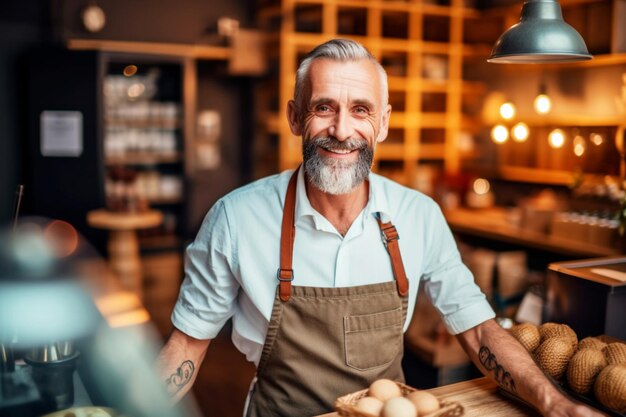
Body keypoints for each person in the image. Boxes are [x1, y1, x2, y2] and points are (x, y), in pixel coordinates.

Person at [157, 39, 603, 417]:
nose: (342, 129)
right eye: (324, 107)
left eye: (361, 110)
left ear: (383, 123)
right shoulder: (236, 219)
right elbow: (187, 347)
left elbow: (478, 330)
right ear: (295, 117)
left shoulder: (418, 215)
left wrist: (553, 402)